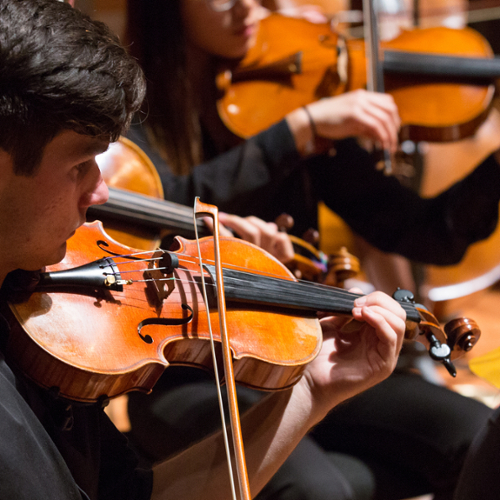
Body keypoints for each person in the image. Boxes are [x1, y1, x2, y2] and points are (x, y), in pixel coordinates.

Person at [0, 1, 408, 499]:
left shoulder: (28, 315)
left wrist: (312, 392)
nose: (103, 193)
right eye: (81, 164)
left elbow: (136, 495)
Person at [123, 1, 500, 499]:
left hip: (307, 357)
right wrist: (298, 130)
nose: (249, 5)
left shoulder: (290, 94)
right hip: (189, 372)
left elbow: (428, 233)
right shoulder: (128, 106)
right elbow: (153, 204)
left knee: (482, 439)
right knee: (319, 490)